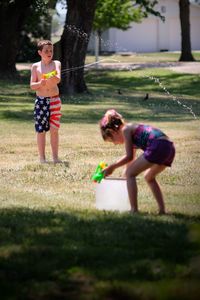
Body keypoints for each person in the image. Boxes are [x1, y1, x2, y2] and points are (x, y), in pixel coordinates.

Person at [99, 109, 175, 214]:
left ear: (113, 132)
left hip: (158, 145)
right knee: (149, 177)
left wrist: (112, 167)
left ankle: (134, 210)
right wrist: (125, 172)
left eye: (112, 140)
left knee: (130, 174)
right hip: (169, 147)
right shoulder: (131, 129)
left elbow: (129, 157)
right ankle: (162, 211)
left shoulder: (126, 130)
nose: (115, 144)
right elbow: (131, 158)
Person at [30, 40, 62, 163]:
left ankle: (55, 157)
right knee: (41, 130)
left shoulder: (56, 63)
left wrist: (52, 77)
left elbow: (58, 78)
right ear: (40, 52)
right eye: (46, 51)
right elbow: (32, 86)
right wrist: (40, 83)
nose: (49, 53)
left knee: (54, 129)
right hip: (41, 101)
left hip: (54, 100)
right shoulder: (35, 66)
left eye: (51, 50)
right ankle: (42, 158)